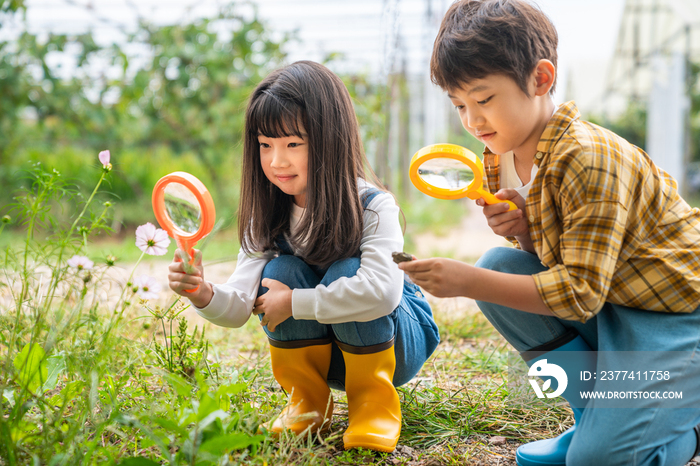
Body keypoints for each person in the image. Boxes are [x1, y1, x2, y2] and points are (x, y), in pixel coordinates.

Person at [399, 1, 700, 465]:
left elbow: (578, 293)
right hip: (618, 303)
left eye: (483, 99)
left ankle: (687, 426)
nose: (472, 122)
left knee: (594, 462)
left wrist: (464, 283)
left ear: (540, 79)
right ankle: (592, 414)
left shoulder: (587, 158)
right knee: (500, 266)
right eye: (459, 105)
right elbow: (563, 262)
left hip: (677, 317)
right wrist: (525, 235)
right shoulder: (502, 155)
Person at [167, 60, 440, 453]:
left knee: (348, 270)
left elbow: (382, 294)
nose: (277, 161)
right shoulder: (267, 217)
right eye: (266, 145)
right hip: (331, 352)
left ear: (330, 139)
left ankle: (373, 406)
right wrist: (202, 293)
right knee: (280, 270)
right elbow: (241, 304)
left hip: (396, 343)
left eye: (293, 144)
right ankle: (308, 404)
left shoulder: (374, 206)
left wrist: (294, 303)